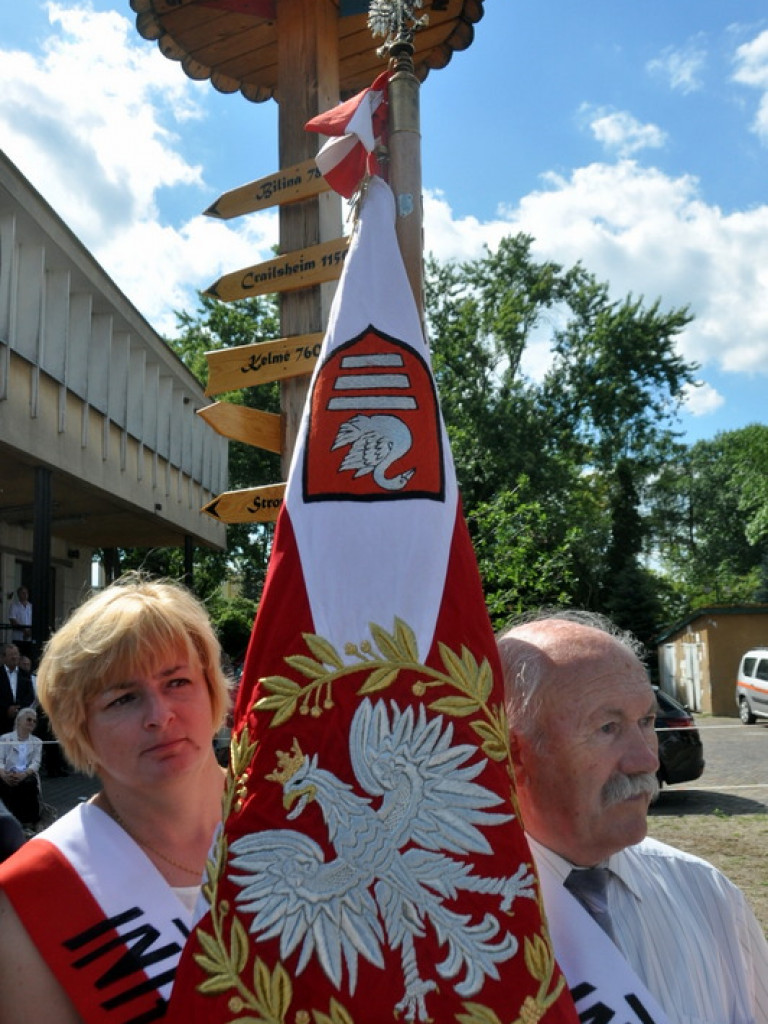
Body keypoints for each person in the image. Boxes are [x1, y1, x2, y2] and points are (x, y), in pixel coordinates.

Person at [497, 611, 768, 1024]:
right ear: (515, 752)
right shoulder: (457, 922)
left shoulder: (708, 895)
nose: (646, 759)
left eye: (646, 722)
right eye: (608, 727)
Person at [0, 576, 231, 1023]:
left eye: (177, 682)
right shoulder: (27, 900)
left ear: (212, 690)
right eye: (123, 698)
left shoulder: (307, 818)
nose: (159, 715)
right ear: (78, 726)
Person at [0, 706, 42, 829]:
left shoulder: (37, 742)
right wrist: (3, 773)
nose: (32, 723)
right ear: (19, 720)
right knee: (4, 785)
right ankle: (7, 821)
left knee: (29, 784)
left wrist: (24, 774)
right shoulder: (4, 738)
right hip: (6, 773)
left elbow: (36, 763)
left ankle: (29, 822)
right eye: (29, 720)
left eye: (34, 721)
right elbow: (0, 759)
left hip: (26, 774)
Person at [0, 643, 36, 728]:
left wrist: (18, 708)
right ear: (3, 658)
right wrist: (7, 709)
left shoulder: (25, 675)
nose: (14, 657)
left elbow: (30, 695)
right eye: (11, 655)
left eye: (16, 654)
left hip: (21, 719)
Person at [8, 586, 32, 656]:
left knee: (28, 657)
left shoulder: (31, 606)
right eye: (23, 593)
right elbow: (12, 620)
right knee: (18, 656)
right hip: (18, 638)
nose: (25, 594)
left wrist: (30, 632)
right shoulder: (14, 606)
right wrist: (24, 631)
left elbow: (35, 620)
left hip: (30, 638)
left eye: (26, 593)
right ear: (18, 594)